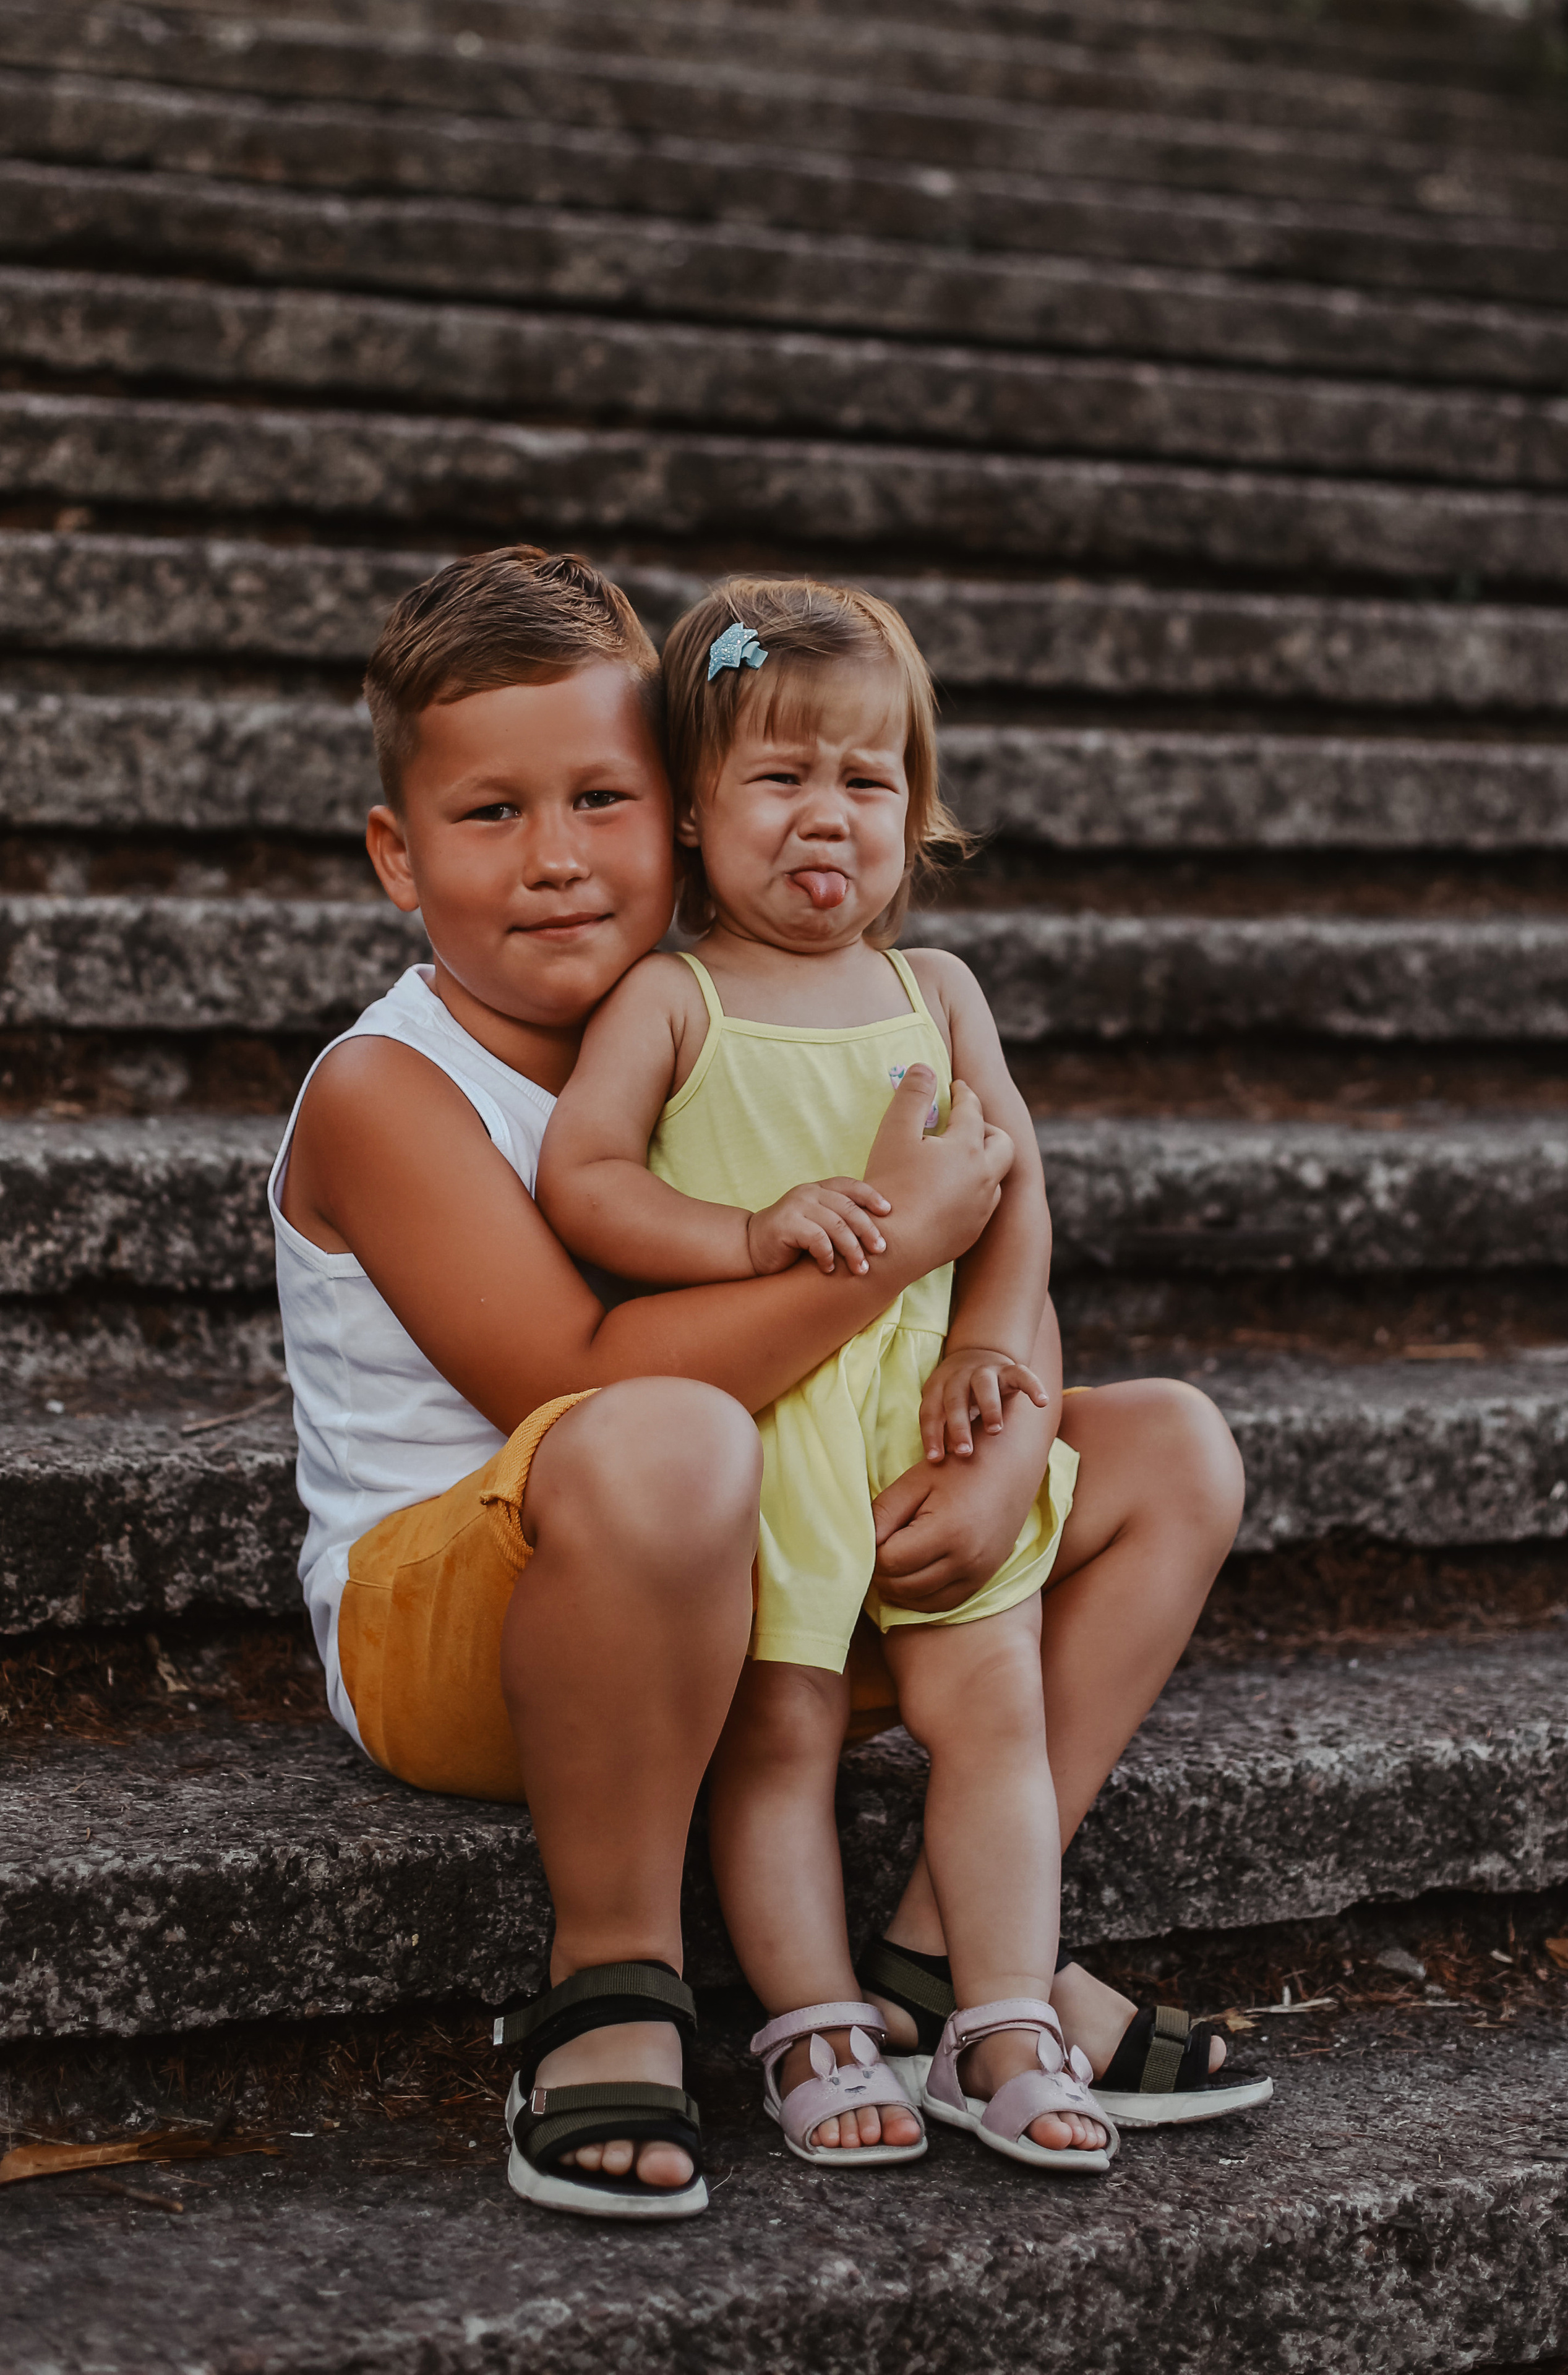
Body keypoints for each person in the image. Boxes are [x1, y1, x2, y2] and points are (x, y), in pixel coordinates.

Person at [267, 547, 1016, 2220]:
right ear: (397, 854)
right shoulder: (393, 1091)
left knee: (1166, 1460)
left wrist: (993, 1409)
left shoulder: (715, 1021)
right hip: (454, 1614)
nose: (556, 860)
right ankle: (612, 1974)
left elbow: (982, 1247)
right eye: (490, 816)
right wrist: (892, 1251)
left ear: (679, 814)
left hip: (750, 1568)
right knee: (667, 1431)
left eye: (601, 799)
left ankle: (953, 1954)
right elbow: (580, 1378)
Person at [538, 579, 1173, 2173]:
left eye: (867, 782)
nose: (826, 816)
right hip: (773, 1416)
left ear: (917, 812)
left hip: (926, 1408)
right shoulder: (674, 997)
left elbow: (1014, 1190)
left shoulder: (935, 990)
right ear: (690, 811)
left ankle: (1004, 2009)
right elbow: (588, 1179)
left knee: (996, 1709)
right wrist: (749, 1232)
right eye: (779, 778)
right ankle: (814, 2013)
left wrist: (986, 1352)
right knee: (786, 1730)